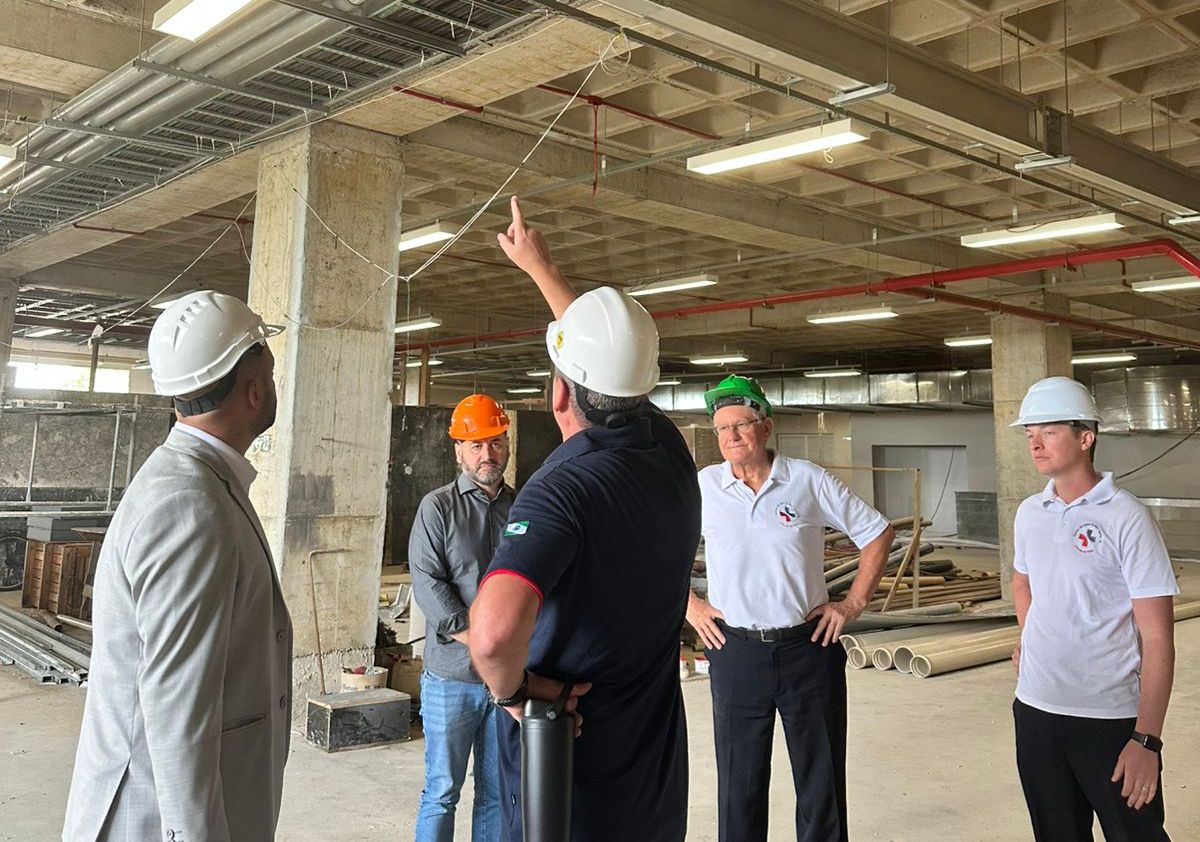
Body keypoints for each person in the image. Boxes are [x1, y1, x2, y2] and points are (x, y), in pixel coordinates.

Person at [467, 196, 701, 842]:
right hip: (653, 780)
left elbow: (492, 635)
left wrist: (513, 693)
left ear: (558, 393)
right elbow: (614, 365)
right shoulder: (669, 453)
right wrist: (541, 269)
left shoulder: (560, 490)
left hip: (567, 782)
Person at [63, 290, 291, 842]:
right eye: (270, 372)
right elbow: (177, 715)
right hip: (151, 819)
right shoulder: (189, 508)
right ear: (254, 391)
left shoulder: (195, 483)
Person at [685, 373, 894, 842]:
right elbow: (655, 550)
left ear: (766, 427)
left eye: (741, 424)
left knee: (821, 784)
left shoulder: (807, 480)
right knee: (739, 785)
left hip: (808, 649)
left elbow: (878, 532)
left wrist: (852, 602)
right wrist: (691, 607)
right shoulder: (705, 487)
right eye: (722, 428)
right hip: (735, 651)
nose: (731, 436)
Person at [1010, 375, 1177, 842]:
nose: (1035, 444)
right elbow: (1022, 581)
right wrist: (1030, 637)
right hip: (1036, 711)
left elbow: (1158, 637)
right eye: (1030, 434)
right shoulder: (1029, 513)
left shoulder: (1127, 518)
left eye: (1049, 432)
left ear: (1086, 437)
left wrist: (1146, 739)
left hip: (1108, 718)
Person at [409, 393, 514, 842]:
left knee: (496, 792)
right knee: (441, 790)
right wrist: (482, 643)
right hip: (452, 678)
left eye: (495, 442)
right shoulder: (437, 508)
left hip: (507, 682)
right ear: (459, 451)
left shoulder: (524, 508)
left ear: (507, 444)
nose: (487, 454)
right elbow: (428, 584)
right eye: (476, 445)